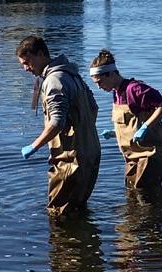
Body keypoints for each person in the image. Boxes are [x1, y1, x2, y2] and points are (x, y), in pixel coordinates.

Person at [16, 35, 102, 217]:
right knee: (78, 211)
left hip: (70, 160)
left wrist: (34, 146)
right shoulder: (73, 74)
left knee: (59, 216)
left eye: (27, 62)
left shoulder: (53, 81)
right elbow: (94, 108)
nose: (25, 69)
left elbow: (56, 122)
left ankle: (65, 246)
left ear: (40, 54)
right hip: (91, 154)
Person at [89, 49, 162, 188]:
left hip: (151, 154)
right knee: (132, 193)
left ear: (110, 74)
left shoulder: (135, 89)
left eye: (100, 82)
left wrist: (146, 127)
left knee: (145, 194)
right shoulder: (116, 93)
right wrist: (117, 132)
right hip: (133, 155)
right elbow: (132, 121)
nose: (99, 87)